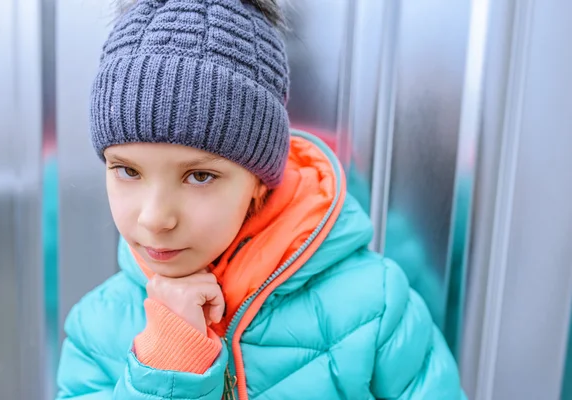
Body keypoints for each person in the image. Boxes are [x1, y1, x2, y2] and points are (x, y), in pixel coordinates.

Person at [56, 0, 466, 398]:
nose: (155, 217)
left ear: (259, 179)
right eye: (128, 170)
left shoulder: (375, 310)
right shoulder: (96, 330)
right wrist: (166, 365)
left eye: (199, 175)